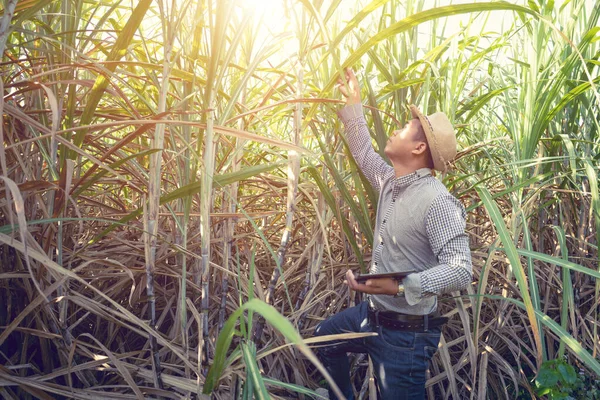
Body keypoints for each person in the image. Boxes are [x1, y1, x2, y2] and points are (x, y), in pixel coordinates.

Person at [313, 68, 473, 400]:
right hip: (370, 315)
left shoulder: (437, 201)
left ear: (417, 149)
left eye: (405, 128)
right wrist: (354, 106)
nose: (395, 130)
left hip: (406, 337)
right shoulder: (390, 181)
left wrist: (401, 285)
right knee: (322, 341)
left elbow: (460, 269)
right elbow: (363, 154)